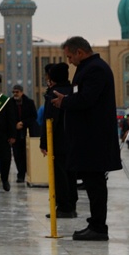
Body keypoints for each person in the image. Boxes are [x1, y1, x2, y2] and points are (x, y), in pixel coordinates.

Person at [50, 36, 122, 242]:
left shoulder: (95, 69)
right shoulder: (89, 68)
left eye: (70, 56)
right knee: (93, 183)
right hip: (89, 138)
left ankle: (99, 227)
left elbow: (87, 99)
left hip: (95, 139)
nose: (70, 61)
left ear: (80, 52)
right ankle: (95, 224)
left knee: (96, 184)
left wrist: (65, 102)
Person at [40, 63, 77, 219]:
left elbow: (49, 120)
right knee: (71, 174)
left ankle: (64, 207)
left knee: (60, 174)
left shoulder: (54, 94)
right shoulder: (73, 91)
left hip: (58, 140)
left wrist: (44, 142)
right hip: (73, 140)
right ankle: (71, 205)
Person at [10, 84, 39, 184]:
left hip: (27, 133)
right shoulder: (10, 103)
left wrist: (23, 123)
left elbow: (33, 117)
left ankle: (28, 173)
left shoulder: (29, 103)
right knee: (17, 155)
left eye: (17, 92)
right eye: (13, 92)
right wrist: (14, 125)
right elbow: (7, 118)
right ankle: (20, 174)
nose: (15, 94)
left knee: (26, 155)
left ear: (22, 92)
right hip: (15, 134)